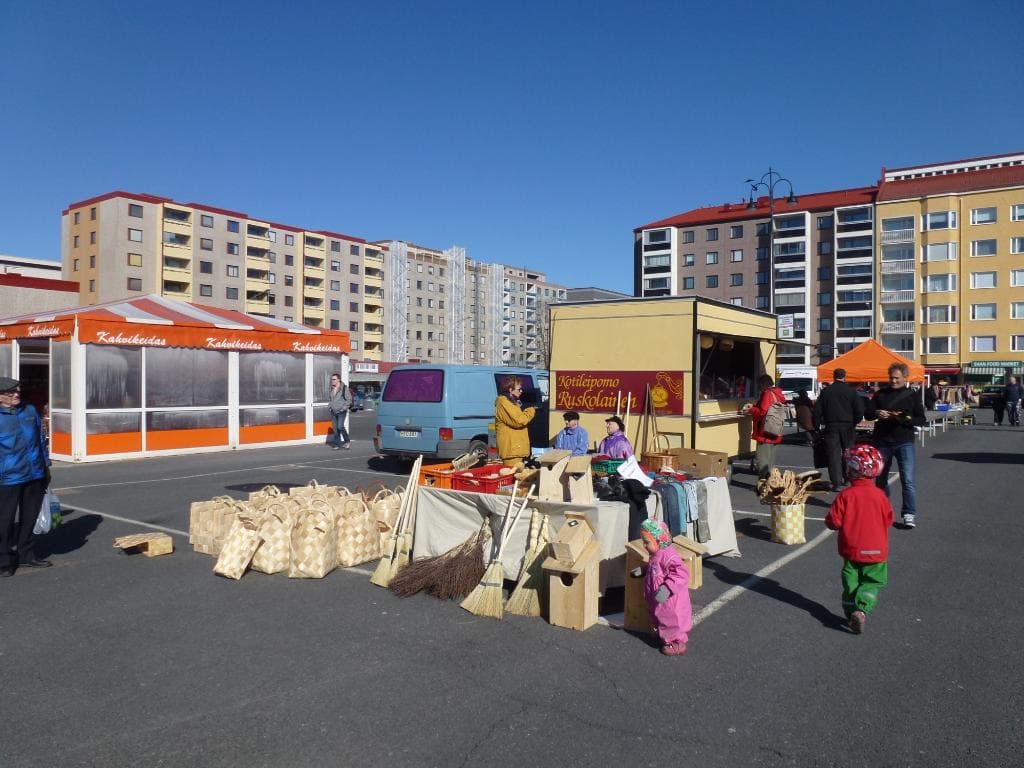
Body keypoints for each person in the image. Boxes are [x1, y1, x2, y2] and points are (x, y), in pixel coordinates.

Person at [824, 444, 894, 635]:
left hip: (851, 548)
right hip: (876, 550)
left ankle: (850, 611)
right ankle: (862, 609)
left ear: (852, 471)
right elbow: (889, 520)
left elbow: (833, 521)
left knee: (850, 581)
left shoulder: (845, 495)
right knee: (872, 581)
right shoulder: (880, 496)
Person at [0, 376, 52, 576]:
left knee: (29, 517)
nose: (16, 394)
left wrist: (46, 467)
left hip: (34, 474)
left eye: (17, 390)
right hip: (7, 478)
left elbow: (40, 440)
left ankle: (26, 555)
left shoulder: (29, 410)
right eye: (11, 392)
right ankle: (4, 560)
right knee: (4, 522)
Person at [865, 362, 927, 529]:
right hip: (882, 441)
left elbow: (921, 419)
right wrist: (877, 412)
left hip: (904, 441)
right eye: (891, 377)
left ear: (905, 378)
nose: (893, 381)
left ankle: (909, 514)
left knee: (908, 480)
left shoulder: (912, 395)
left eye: (897, 378)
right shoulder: (880, 394)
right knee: (881, 479)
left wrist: (903, 418)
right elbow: (868, 413)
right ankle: (883, 510)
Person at [640, 519, 691, 656]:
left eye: (647, 542)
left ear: (658, 540)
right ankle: (664, 636)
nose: (644, 545)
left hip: (670, 600)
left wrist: (668, 588)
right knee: (660, 616)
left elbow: (681, 573)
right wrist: (644, 570)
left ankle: (676, 643)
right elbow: (655, 568)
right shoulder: (656, 553)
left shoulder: (668, 555)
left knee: (671, 619)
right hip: (658, 597)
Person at [813, 368, 864, 492]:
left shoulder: (826, 392)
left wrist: (817, 426)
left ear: (834, 377)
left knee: (833, 454)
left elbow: (817, 411)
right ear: (844, 377)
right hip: (848, 425)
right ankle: (849, 477)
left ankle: (836, 482)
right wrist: (854, 422)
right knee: (849, 453)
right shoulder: (851, 391)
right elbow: (859, 410)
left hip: (831, 425)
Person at [742, 374, 786, 479]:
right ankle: (771, 483)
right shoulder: (777, 393)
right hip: (776, 431)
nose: (759, 387)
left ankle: (763, 484)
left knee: (762, 462)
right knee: (770, 463)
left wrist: (751, 409)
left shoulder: (767, 394)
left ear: (764, 383)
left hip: (765, 432)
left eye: (760, 385)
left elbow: (762, 412)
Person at [494, 375, 536, 466]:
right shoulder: (503, 402)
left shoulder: (511, 402)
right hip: (512, 450)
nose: (521, 391)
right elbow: (519, 421)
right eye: (519, 389)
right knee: (513, 473)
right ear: (510, 389)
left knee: (518, 473)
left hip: (516, 449)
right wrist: (530, 411)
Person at [327, 373, 354, 450]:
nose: (332, 381)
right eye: (332, 379)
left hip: (341, 411)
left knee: (340, 426)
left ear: (338, 380)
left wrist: (343, 408)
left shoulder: (344, 388)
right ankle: (337, 444)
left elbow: (349, 400)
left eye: (334, 379)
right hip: (333, 411)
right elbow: (331, 399)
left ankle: (347, 441)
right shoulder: (332, 388)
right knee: (335, 429)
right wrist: (329, 407)